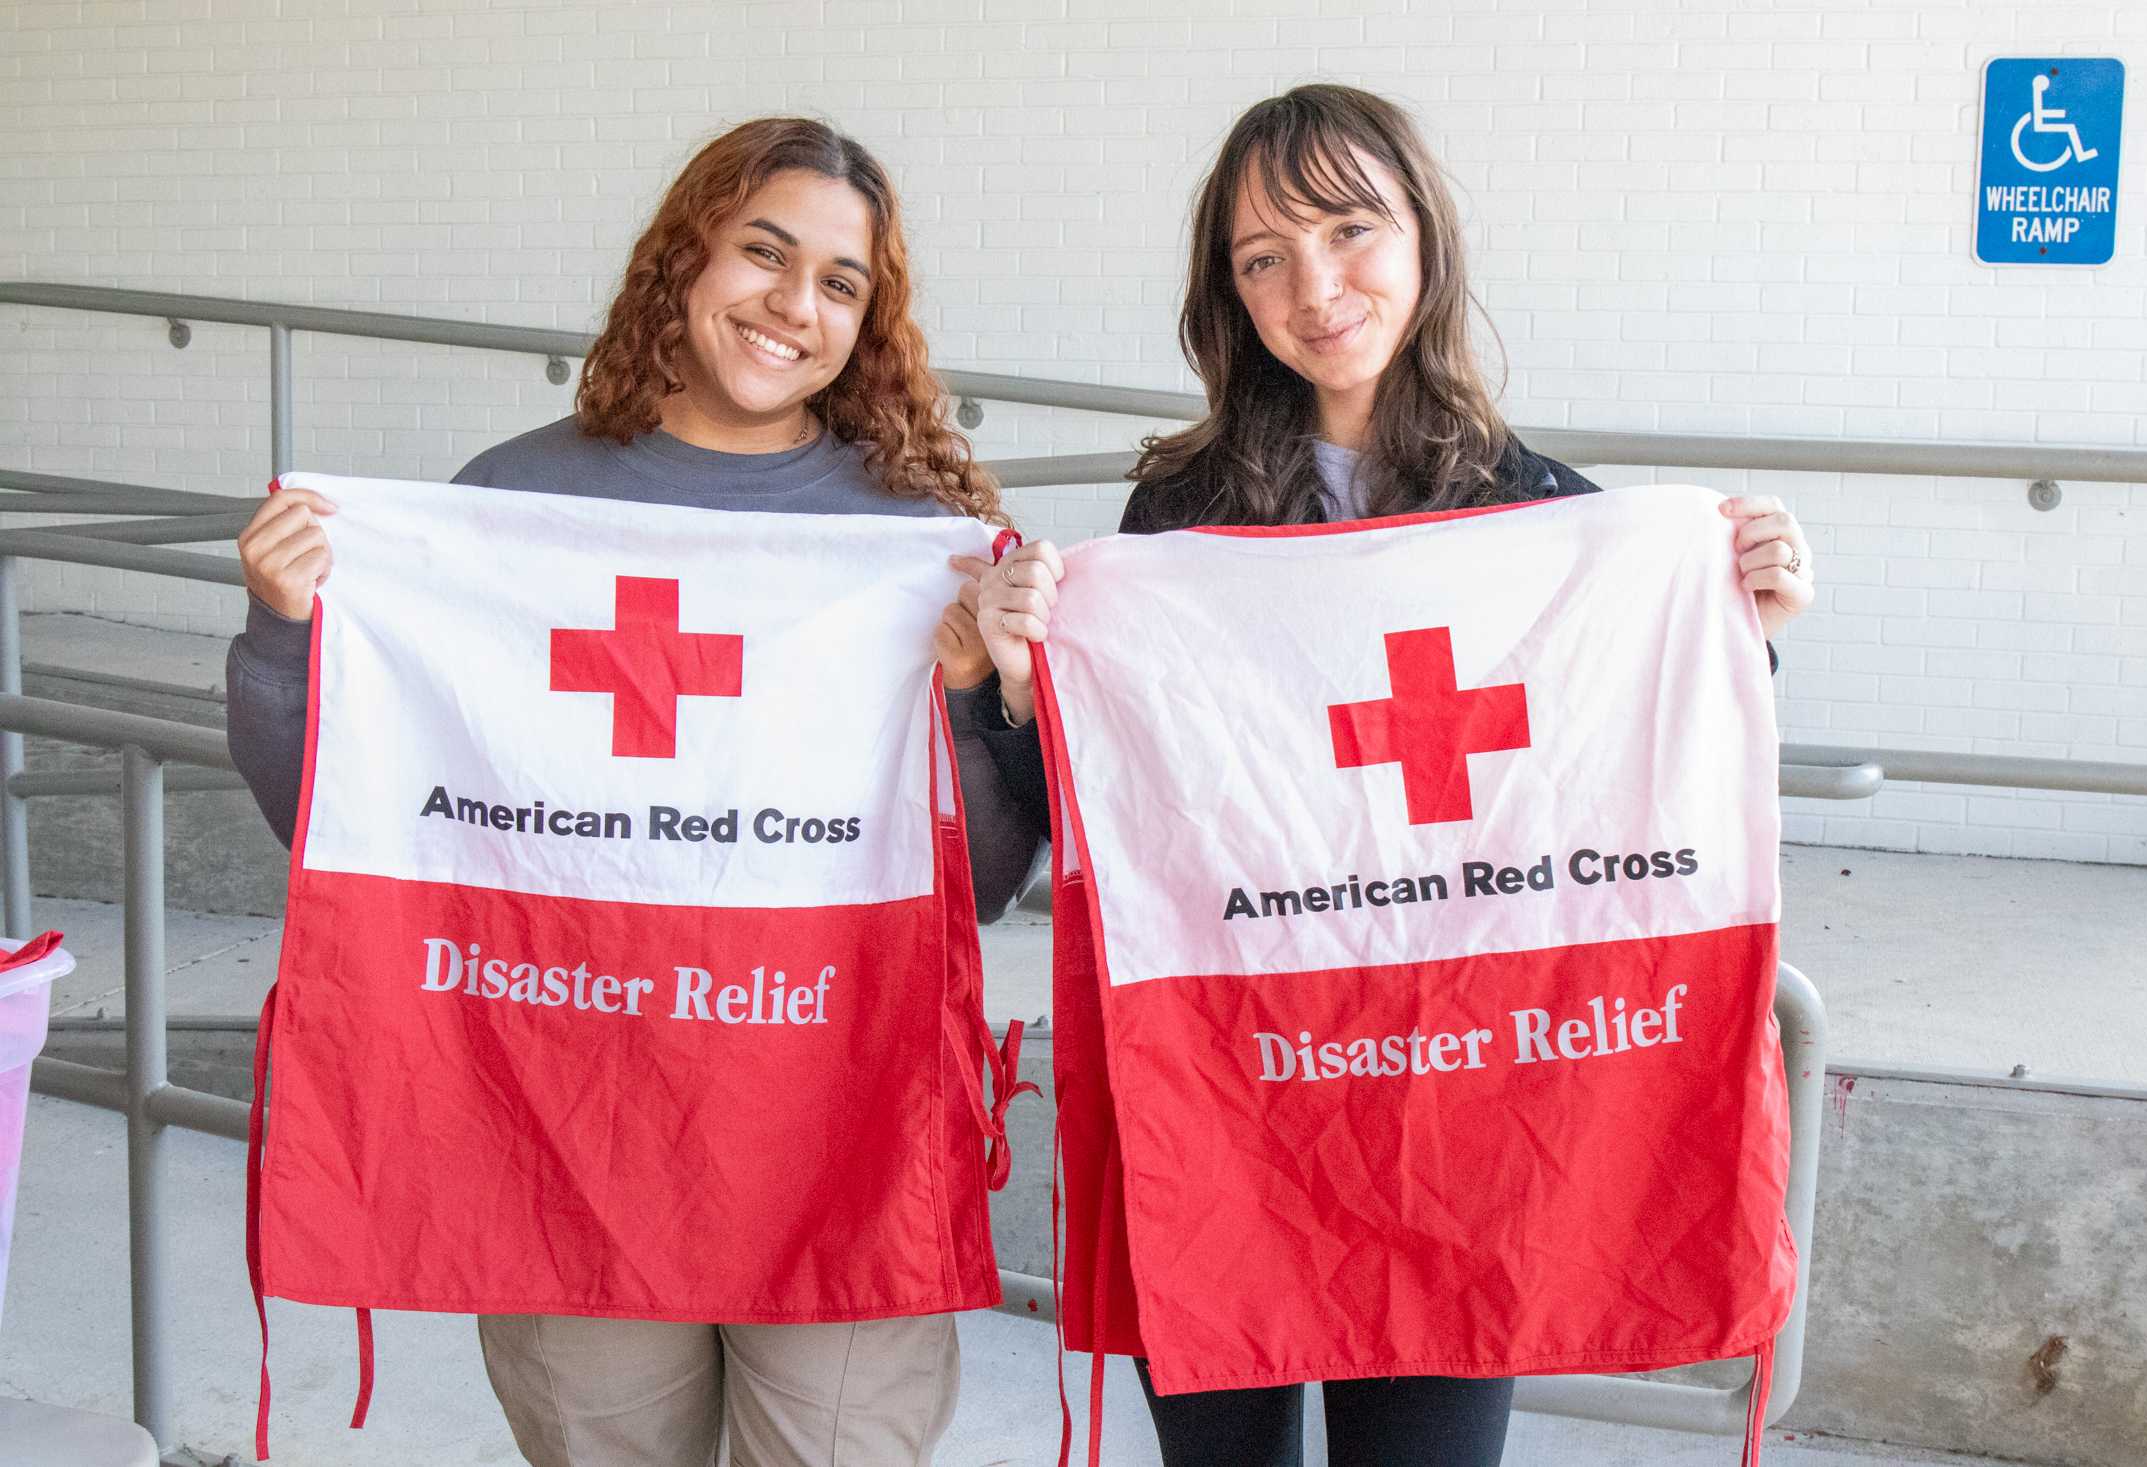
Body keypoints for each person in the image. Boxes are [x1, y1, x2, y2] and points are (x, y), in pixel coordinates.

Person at [961, 84, 1816, 1467]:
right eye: (1262, 258)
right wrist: (1018, 688)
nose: (1315, 285)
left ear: (1426, 239)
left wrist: (1738, 641)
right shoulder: (1172, 521)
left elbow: (1613, 785)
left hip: (1458, 1106)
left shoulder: (1548, 520)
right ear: (1228, 295)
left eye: (1351, 231)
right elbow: (1126, 807)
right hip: (1236, 1078)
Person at [226, 117, 1044, 1467]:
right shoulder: (512, 508)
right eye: (763, 253)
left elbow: (980, 888)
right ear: (685, 257)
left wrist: (968, 695)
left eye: (840, 283)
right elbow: (346, 823)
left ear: (868, 319)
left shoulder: (917, 535)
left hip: (836, 1127)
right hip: (573, 1124)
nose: (794, 305)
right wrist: (284, 634)